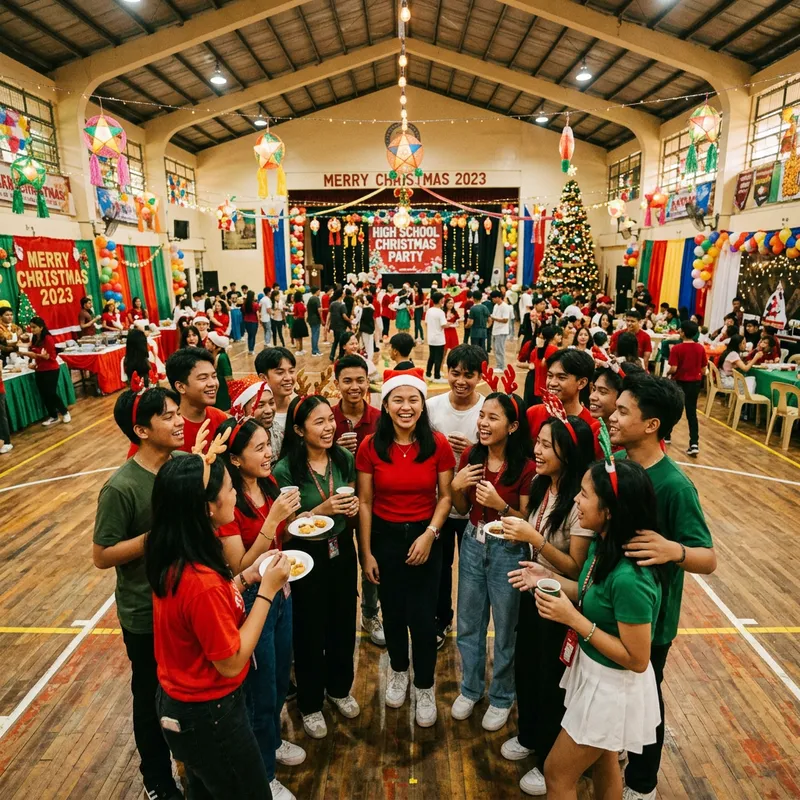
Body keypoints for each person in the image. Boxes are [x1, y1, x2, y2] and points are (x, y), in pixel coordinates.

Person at [509, 457, 663, 800]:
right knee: (605, 762)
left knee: (557, 773)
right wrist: (548, 577)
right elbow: (590, 592)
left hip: (612, 689)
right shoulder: (604, 545)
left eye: (584, 494)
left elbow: (637, 659)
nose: (576, 500)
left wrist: (573, 619)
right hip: (594, 674)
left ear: (609, 509)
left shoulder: (630, 578)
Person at [146, 453, 292, 799]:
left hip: (185, 706)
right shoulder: (200, 581)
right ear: (207, 507)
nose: (236, 496)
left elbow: (204, 616)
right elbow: (231, 661)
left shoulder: (175, 553)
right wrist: (267, 592)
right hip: (209, 715)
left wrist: (243, 578)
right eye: (229, 489)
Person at [608, 374, 716, 800]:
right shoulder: (620, 465)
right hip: (609, 609)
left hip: (650, 623)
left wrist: (674, 550)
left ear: (651, 425)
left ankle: (642, 784)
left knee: (645, 704)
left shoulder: (674, 486)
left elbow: (707, 558)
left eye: (622, 411)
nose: (612, 418)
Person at [93, 385, 185, 800]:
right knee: (151, 699)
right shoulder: (121, 487)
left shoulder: (182, 466)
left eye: (177, 413)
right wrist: (157, 536)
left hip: (186, 603)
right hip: (146, 613)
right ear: (141, 430)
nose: (179, 420)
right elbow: (102, 554)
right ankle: (156, 779)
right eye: (167, 416)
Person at [499, 409, 595, 795]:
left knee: (554, 681)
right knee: (527, 668)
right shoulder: (543, 485)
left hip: (562, 601)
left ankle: (549, 758)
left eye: (546, 445)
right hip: (532, 590)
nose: (536, 451)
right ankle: (529, 734)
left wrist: (534, 540)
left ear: (568, 453)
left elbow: (576, 567)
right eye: (537, 442)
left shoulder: (579, 501)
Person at [356, 368, 455, 727]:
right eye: (397, 399)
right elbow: (365, 502)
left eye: (413, 399)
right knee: (394, 612)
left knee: (423, 617)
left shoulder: (437, 444)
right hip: (385, 537)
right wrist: (366, 553)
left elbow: (445, 497)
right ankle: (399, 671)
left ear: (422, 404)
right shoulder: (371, 446)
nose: (406, 406)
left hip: (426, 537)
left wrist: (429, 534)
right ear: (385, 404)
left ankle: (425, 685)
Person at [216, 417, 303, 800]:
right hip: (253, 600)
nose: (268, 453)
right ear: (235, 459)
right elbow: (240, 567)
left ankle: (272, 742)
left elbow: (279, 539)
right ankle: (262, 774)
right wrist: (273, 520)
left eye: (269, 444)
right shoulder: (228, 501)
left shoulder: (268, 485)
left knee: (280, 677)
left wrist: (294, 519)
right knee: (260, 689)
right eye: (258, 448)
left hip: (280, 591)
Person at [273, 396, 361, 739]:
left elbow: (350, 495)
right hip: (303, 559)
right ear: (298, 430)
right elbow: (284, 524)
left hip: (340, 553)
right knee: (309, 631)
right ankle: (310, 704)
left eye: (330, 420)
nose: (329, 428)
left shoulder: (344, 458)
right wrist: (322, 509)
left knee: (343, 623)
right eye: (318, 422)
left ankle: (339, 689)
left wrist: (350, 505)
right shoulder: (285, 471)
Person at [450, 391, 535, 731]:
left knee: (506, 628)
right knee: (468, 621)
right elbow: (458, 505)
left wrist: (501, 505)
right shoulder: (471, 455)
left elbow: (527, 520)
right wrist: (456, 486)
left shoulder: (527, 467)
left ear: (513, 426)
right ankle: (470, 688)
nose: (483, 423)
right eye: (481, 416)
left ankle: (501, 695)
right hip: (472, 539)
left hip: (509, 547)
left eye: (493, 418)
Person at [425, 345, 485, 647]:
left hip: (477, 507)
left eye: (469, 375)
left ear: (480, 375)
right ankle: (441, 619)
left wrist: (471, 450)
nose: (461, 381)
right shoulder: (432, 407)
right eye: (455, 373)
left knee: (474, 572)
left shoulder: (486, 409)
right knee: (440, 567)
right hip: (440, 505)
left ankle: (472, 626)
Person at [331, 354, 385, 646]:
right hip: (335, 509)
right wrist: (334, 449)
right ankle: (339, 618)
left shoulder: (379, 420)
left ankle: (370, 613)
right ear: (336, 383)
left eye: (360, 380)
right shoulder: (325, 418)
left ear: (368, 382)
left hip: (371, 506)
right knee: (338, 567)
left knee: (370, 560)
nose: (354, 386)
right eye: (347, 380)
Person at [526, 348, 598, 445]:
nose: (552, 383)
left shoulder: (593, 426)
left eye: (561, 377)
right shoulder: (532, 414)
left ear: (581, 383)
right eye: (550, 376)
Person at [165, 347, 228, 452]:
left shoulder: (220, 419)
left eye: (214, 376)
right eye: (203, 378)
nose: (212, 383)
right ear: (180, 387)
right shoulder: (163, 429)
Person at [666, 320, 708, 457]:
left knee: (673, 409)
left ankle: (667, 435)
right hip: (694, 384)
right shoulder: (700, 348)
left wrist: (667, 373)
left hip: (679, 382)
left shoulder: (676, 349)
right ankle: (694, 443)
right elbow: (703, 369)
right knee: (691, 413)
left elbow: (674, 368)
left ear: (682, 332)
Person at [27, 317, 71, 426]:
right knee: (44, 394)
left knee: (51, 393)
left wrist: (34, 354)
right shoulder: (34, 339)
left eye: (34, 327)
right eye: (31, 327)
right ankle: (53, 416)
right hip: (39, 369)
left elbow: (48, 356)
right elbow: (35, 353)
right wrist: (34, 362)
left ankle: (64, 412)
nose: (32, 330)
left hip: (51, 369)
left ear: (41, 327)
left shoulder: (48, 338)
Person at [255, 346, 296, 456]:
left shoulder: (300, 406)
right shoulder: (256, 415)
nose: (288, 378)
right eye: (280, 372)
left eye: (291, 371)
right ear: (263, 378)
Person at [205, 332, 233, 411]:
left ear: (215, 346)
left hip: (222, 388)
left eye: (209, 342)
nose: (206, 343)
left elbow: (228, 374)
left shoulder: (222, 357)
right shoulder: (212, 356)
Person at [425, 291, 447, 382]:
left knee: (432, 356)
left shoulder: (429, 311)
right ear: (441, 300)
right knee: (438, 357)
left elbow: (426, 323)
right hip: (439, 338)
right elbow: (443, 325)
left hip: (431, 337)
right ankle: (437, 376)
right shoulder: (440, 312)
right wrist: (450, 324)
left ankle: (428, 373)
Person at [490, 290, 512, 372]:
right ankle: (498, 365)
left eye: (493, 298)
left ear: (498, 298)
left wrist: (493, 318)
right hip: (495, 330)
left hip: (501, 331)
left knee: (500, 349)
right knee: (496, 349)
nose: (493, 300)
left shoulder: (505, 306)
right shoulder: (496, 306)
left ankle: (501, 367)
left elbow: (505, 319)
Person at [326, 290, 350, 362]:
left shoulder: (332, 304)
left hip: (334, 326)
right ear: (341, 295)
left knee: (336, 341)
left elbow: (329, 314)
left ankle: (332, 355)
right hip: (341, 326)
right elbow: (344, 316)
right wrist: (350, 321)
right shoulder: (342, 305)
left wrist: (327, 324)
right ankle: (340, 356)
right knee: (342, 341)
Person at [358, 294, 376, 364]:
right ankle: (369, 360)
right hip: (370, 329)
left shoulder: (366, 309)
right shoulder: (370, 308)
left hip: (366, 330)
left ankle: (368, 360)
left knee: (367, 345)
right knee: (369, 345)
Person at [289, 291, 308, 355]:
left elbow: (295, 313)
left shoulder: (296, 304)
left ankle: (298, 350)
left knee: (297, 336)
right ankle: (301, 349)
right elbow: (305, 311)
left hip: (297, 321)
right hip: (302, 320)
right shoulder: (302, 304)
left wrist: (289, 313)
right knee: (301, 336)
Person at [242, 290, 259, 355]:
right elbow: (257, 314)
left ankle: (249, 349)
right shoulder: (255, 305)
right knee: (253, 336)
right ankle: (252, 349)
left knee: (249, 335)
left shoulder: (244, 305)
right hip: (254, 321)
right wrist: (259, 321)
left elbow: (243, 312)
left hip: (246, 321)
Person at [306, 287, 322, 357]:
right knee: (316, 334)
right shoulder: (316, 299)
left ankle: (314, 350)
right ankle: (315, 351)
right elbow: (319, 310)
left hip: (310, 319)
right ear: (317, 291)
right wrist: (322, 319)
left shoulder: (310, 299)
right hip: (315, 319)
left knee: (313, 334)